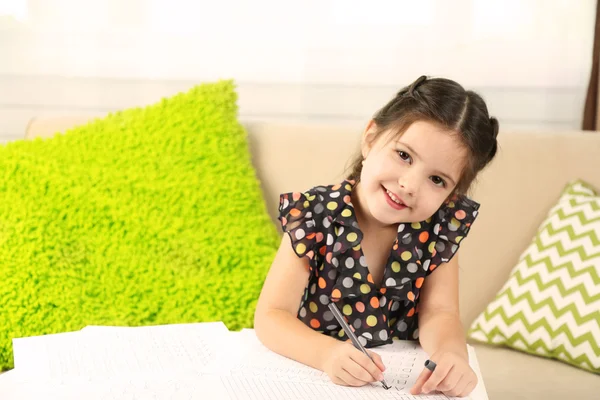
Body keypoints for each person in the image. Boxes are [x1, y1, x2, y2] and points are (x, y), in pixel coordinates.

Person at [254, 75, 499, 398]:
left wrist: (451, 354)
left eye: (437, 179)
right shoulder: (315, 215)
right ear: (371, 138)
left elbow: (440, 313)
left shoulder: (437, 230)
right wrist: (326, 354)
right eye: (404, 156)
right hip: (312, 377)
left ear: (452, 195)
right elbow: (272, 316)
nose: (410, 184)